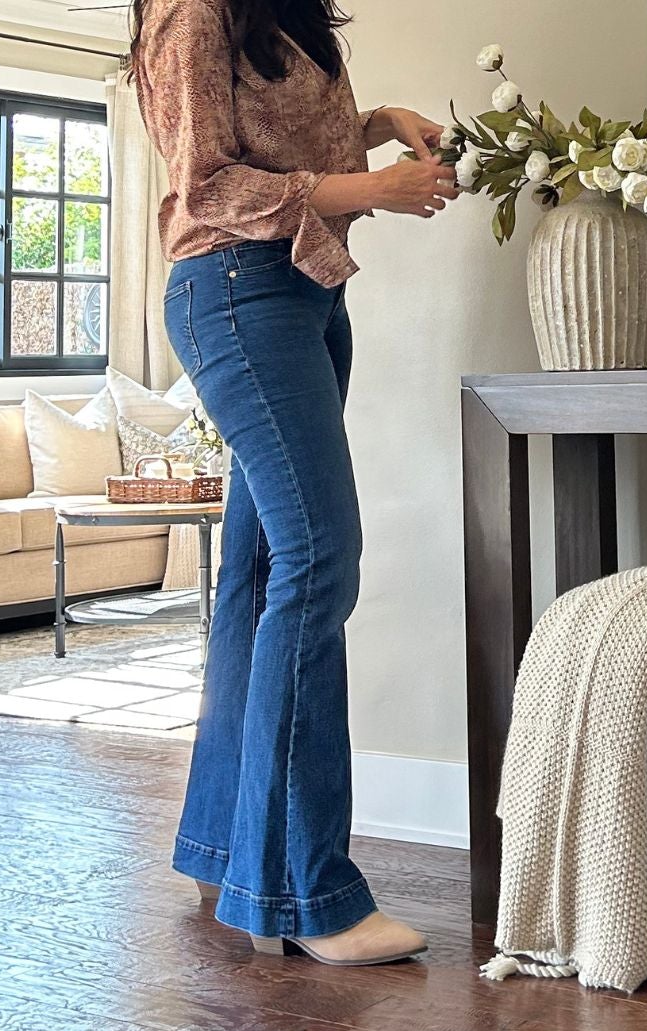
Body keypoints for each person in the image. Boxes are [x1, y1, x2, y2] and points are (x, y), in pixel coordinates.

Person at [130, 0, 455, 965]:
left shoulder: (274, 11)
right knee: (318, 563)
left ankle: (227, 845)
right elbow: (208, 183)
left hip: (302, 295)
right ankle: (305, 891)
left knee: (266, 573)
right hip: (237, 294)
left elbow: (273, 152)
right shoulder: (190, 14)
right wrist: (370, 190)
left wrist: (382, 126)